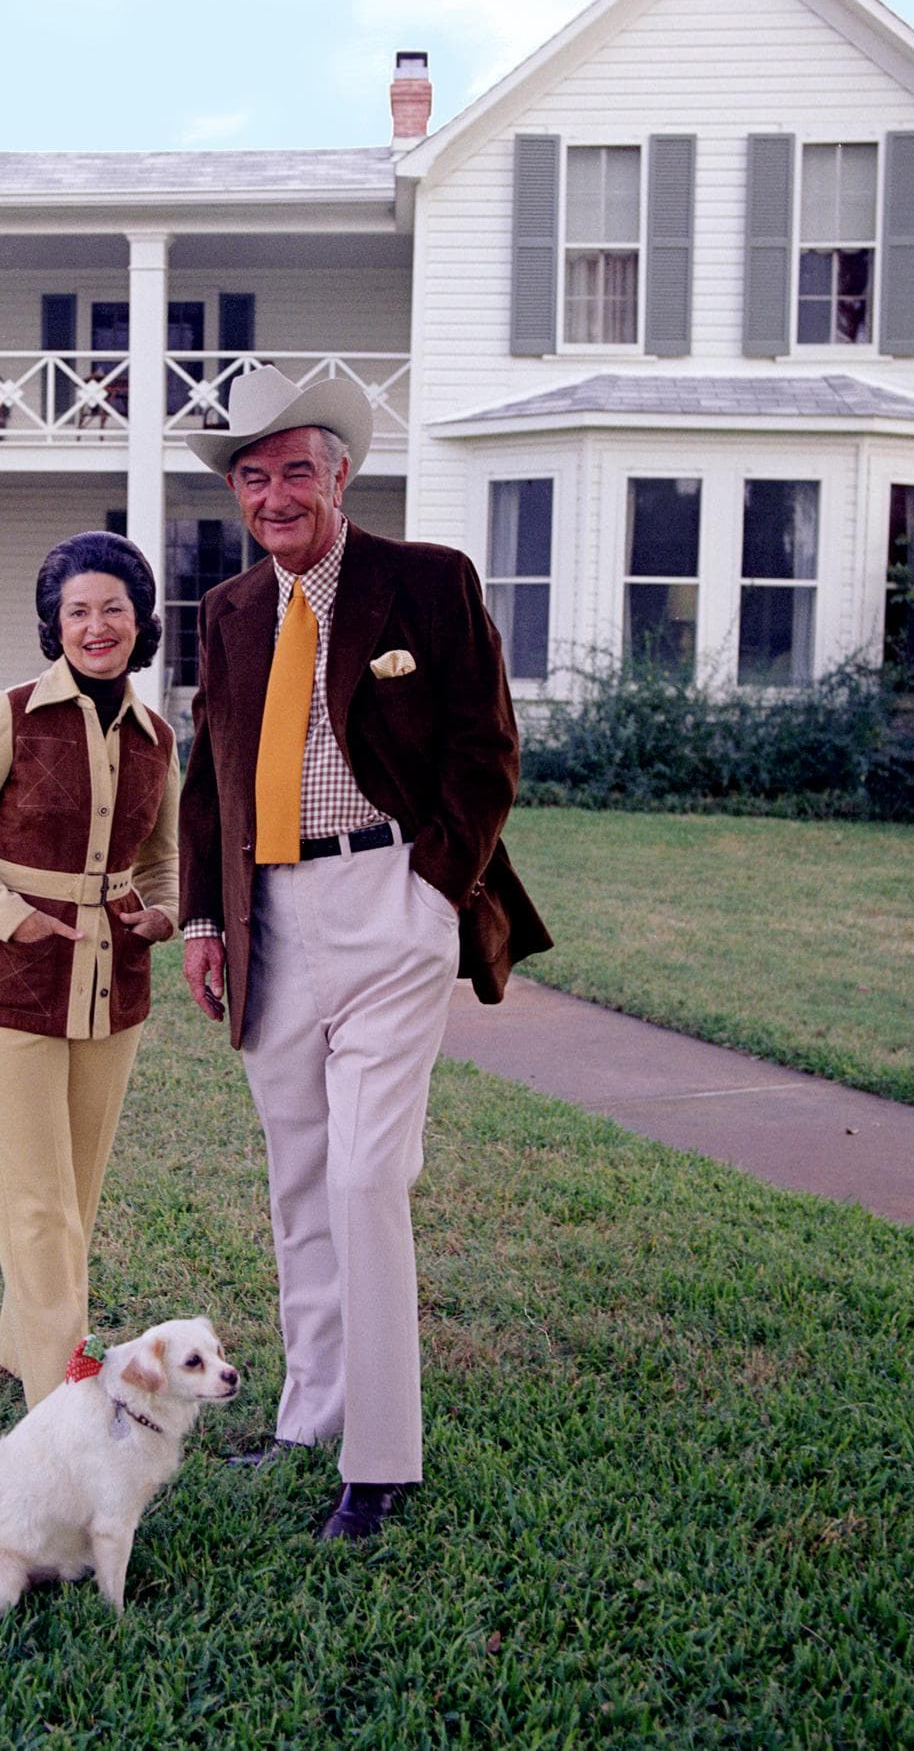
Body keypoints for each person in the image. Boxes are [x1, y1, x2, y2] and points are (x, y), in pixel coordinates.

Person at [179, 366, 550, 1540]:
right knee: (298, 1177)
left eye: (296, 468)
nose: (275, 492)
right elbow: (210, 775)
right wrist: (202, 918)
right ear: (237, 495)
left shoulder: (424, 581)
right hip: (269, 916)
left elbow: (485, 745)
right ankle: (309, 1413)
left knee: (364, 1175)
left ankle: (382, 1462)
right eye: (254, 475)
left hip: (390, 896)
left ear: (340, 475)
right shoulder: (232, 610)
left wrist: (433, 887)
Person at [0, 531, 181, 1408]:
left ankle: (15, 1340)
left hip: (117, 985)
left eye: (113, 608)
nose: (96, 625)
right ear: (53, 622)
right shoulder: (12, 714)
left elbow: (164, 859)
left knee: (78, 1187)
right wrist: (10, 915)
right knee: (37, 1203)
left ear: (140, 621)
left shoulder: (157, 737)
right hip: (10, 982)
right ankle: (58, 1401)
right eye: (78, 610)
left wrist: (164, 912)